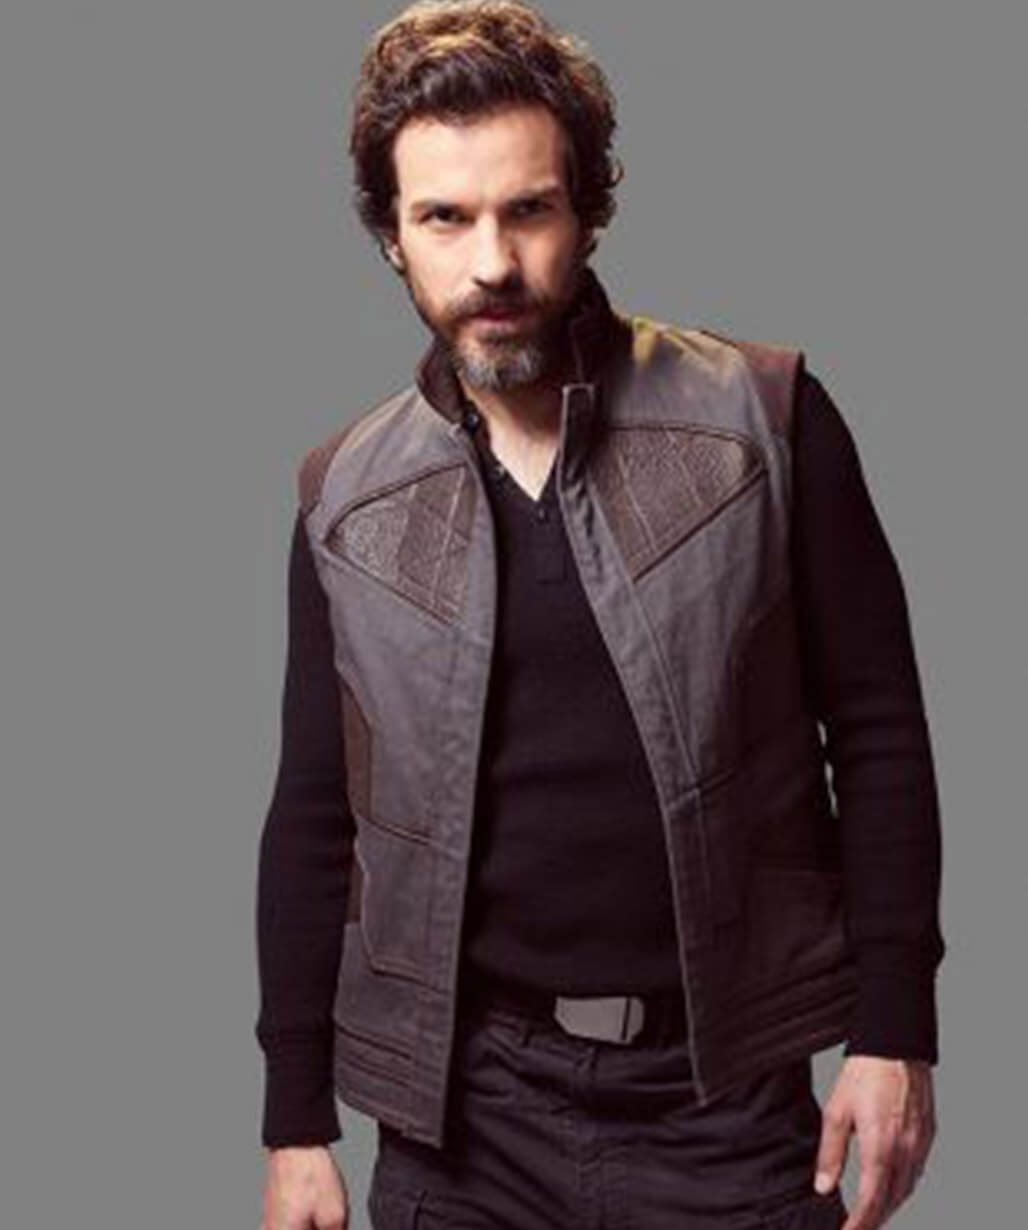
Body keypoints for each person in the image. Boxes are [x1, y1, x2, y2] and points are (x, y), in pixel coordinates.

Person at [254, 3, 945, 1227]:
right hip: (462, 1122)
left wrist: (894, 1032)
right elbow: (316, 815)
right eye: (443, 218)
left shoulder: (764, 423)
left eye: (526, 209)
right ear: (390, 237)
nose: (491, 264)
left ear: (585, 213)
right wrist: (295, 1120)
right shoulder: (345, 499)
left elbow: (879, 731)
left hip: (724, 1104)